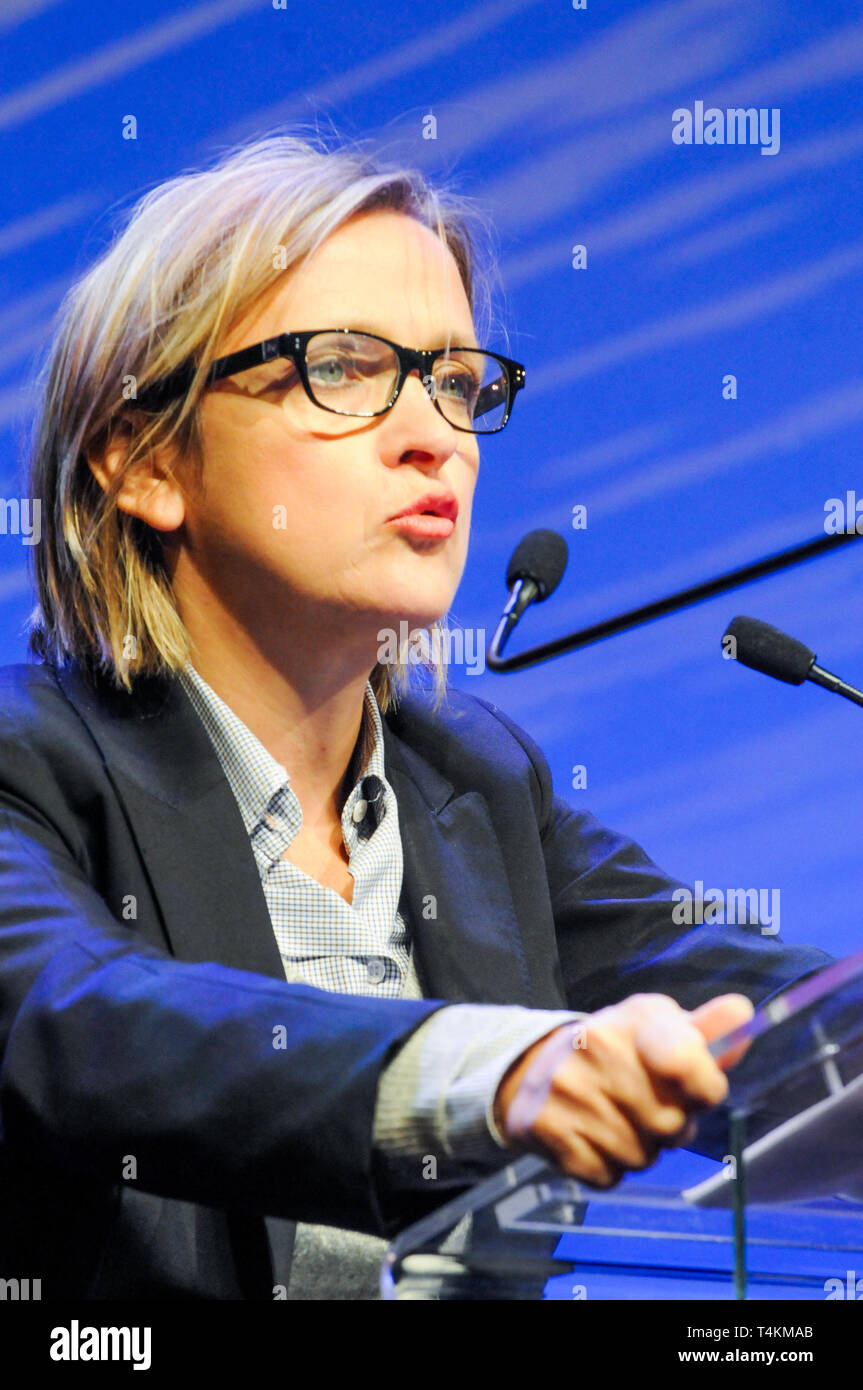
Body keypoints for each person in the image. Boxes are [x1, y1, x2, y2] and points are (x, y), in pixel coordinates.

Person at [0, 130, 832, 1301]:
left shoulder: (476, 789)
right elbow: (80, 1031)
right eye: (343, 367)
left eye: (454, 381)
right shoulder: (28, 772)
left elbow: (764, 1019)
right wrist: (495, 1076)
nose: (432, 434)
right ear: (142, 459)